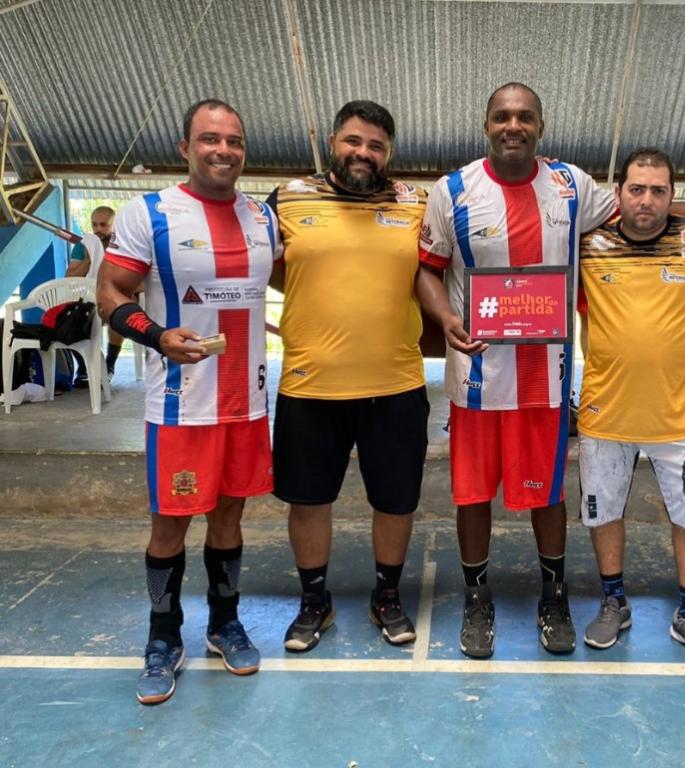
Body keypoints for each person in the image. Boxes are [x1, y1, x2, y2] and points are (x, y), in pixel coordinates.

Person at [416, 83, 616, 658]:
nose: (513, 125)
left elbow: (634, 212)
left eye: (524, 117)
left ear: (540, 126)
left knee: (547, 492)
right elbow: (427, 270)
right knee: (473, 494)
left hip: (546, 378)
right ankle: (477, 598)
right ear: (486, 125)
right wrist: (448, 316)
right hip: (476, 378)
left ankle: (554, 596)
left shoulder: (573, 185)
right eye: (502, 116)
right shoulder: (452, 191)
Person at [97, 99, 278, 704]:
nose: (223, 150)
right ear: (185, 147)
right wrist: (155, 336)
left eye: (233, 140)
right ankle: (162, 636)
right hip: (180, 407)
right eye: (210, 139)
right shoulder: (150, 213)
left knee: (229, 518)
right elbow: (110, 294)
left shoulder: (262, 217)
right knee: (169, 527)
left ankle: (224, 624)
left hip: (248, 404)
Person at [268, 100, 429, 652]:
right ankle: (315, 601)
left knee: (396, 501)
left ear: (390, 154)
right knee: (309, 500)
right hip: (311, 386)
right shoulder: (288, 197)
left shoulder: (415, 203)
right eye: (353, 141)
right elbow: (251, 262)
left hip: (397, 384)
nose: (363, 153)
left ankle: (387, 595)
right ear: (333, 142)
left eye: (376, 146)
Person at [575, 148, 685, 668]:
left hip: (679, 415)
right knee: (604, 514)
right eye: (636, 188)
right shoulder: (587, 245)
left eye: (658, 190)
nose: (646, 199)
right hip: (604, 414)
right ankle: (614, 601)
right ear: (618, 194)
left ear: (671, 195)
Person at [67, 206, 122, 384]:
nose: (98, 229)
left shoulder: (123, 244)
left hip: (117, 295)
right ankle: (83, 368)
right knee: (67, 319)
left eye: (104, 225)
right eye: (94, 224)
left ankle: (109, 366)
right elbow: (71, 278)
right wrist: (89, 259)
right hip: (87, 297)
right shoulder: (83, 245)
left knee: (117, 312)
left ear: (114, 225)